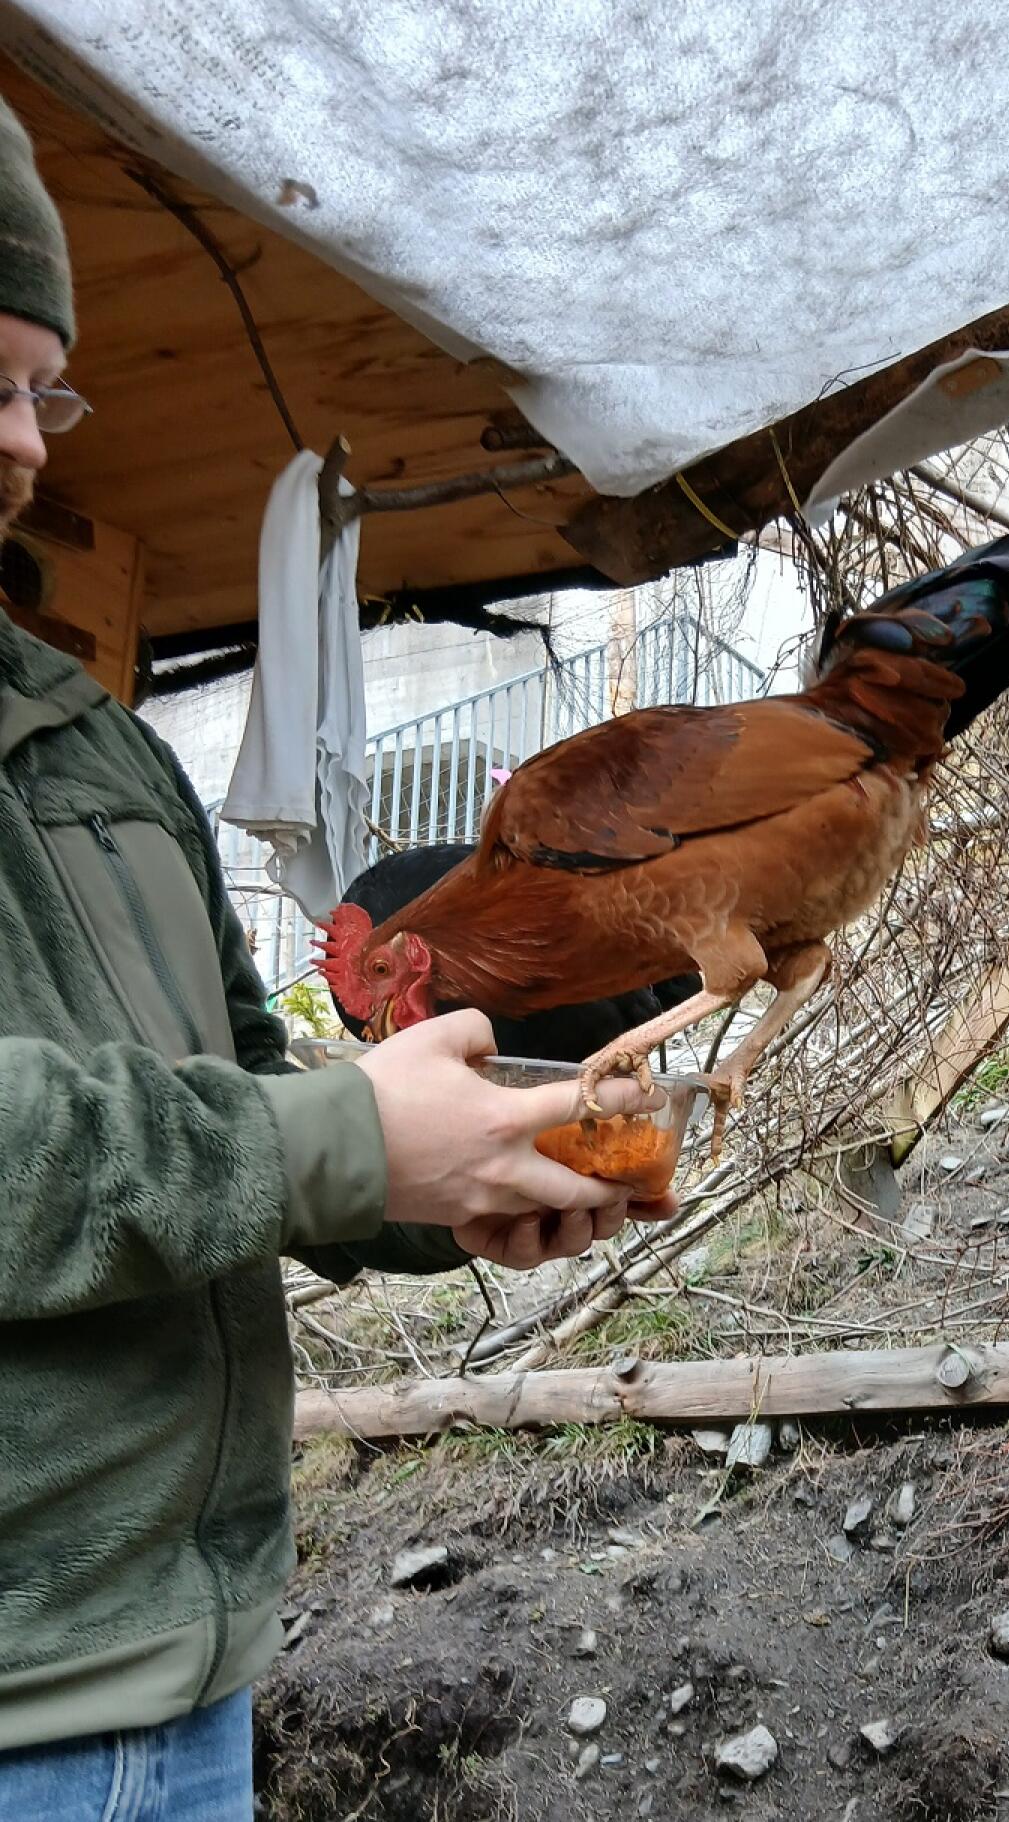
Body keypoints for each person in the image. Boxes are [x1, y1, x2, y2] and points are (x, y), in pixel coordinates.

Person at [0, 95, 672, 1819]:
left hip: (190, 1659)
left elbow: (230, 1085)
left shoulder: (97, 744)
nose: (24, 444)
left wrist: (442, 1180)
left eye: (39, 387)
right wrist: (357, 1136)